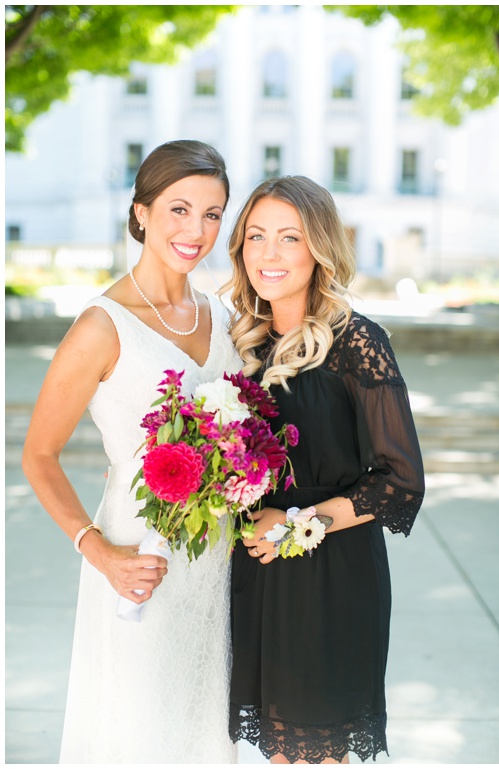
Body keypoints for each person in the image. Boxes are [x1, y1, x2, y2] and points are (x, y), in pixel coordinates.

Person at [23, 139, 241, 763]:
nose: (195, 230)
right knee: (143, 726)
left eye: (212, 213)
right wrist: (99, 551)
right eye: (178, 209)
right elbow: (38, 454)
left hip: (219, 557)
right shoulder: (101, 325)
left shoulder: (220, 314)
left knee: (207, 732)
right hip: (141, 555)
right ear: (141, 212)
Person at [224, 175, 425, 763]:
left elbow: (400, 479)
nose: (270, 253)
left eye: (290, 238)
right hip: (255, 571)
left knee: (313, 753)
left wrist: (292, 526)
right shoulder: (241, 341)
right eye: (257, 236)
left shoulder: (357, 340)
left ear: (320, 249)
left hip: (328, 572)